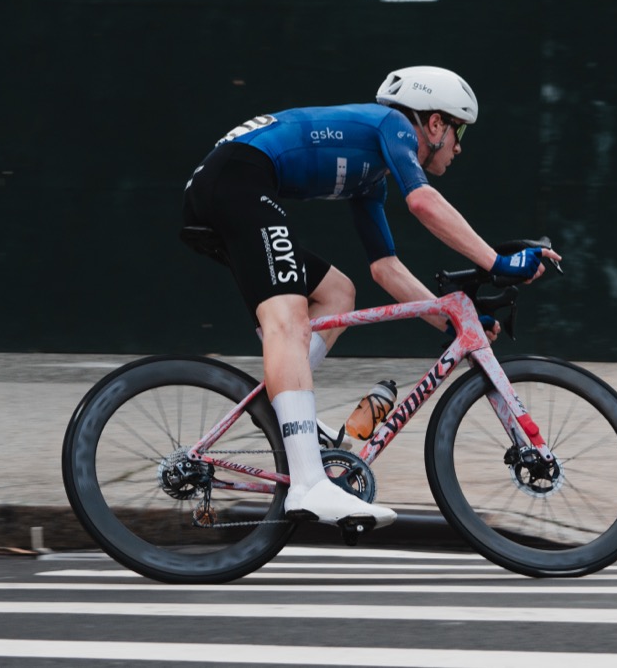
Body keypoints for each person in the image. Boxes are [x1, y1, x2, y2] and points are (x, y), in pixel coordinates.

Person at [180, 65, 560, 527]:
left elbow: (386, 269)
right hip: (237, 179)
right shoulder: (394, 126)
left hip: (231, 184)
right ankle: (307, 484)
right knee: (289, 318)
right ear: (435, 123)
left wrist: (454, 323)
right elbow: (422, 202)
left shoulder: (371, 175)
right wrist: (496, 264)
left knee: (339, 293)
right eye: (459, 131)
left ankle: (289, 414)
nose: (459, 146)